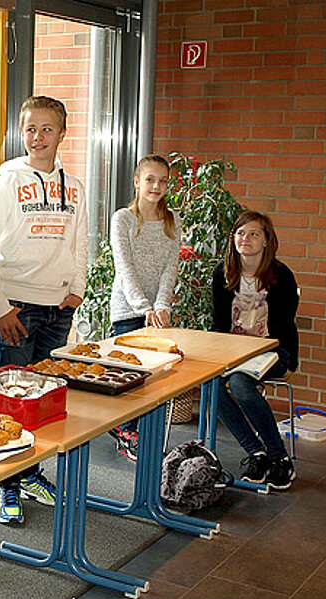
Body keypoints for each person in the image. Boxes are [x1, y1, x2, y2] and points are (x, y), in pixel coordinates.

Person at [0, 95, 87, 525]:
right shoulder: (3, 184)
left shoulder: (73, 187)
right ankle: (8, 487)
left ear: (62, 133)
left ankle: (31, 472)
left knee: (43, 403)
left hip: (58, 309)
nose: (38, 137)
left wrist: (77, 289)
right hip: (16, 309)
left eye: (47, 129)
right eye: (31, 128)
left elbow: (81, 242)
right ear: (22, 133)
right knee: (9, 404)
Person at [211, 210, 298, 490]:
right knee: (210, 385)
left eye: (253, 234)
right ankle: (256, 453)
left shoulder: (281, 276)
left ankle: (279, 457)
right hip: (234, 351)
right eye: (240, 233)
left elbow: (283, 327)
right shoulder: (222, 273)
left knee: (240, 384)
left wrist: (252, 352)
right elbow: (219, 323)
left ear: (266, 241)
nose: (245, 239)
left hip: (273, 350)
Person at [106, 154, 180, 461]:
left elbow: (170, 269)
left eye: (162, 181)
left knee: (155, 379)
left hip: (156, 315)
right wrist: (143, 307)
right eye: (150, 179)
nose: (156, 186)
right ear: (137, 182)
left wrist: (161, 306)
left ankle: (130, 431)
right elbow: (125, 269)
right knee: (131, 379)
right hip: (128, 311)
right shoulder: (123, 218)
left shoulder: (171, 221)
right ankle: (125, 432)